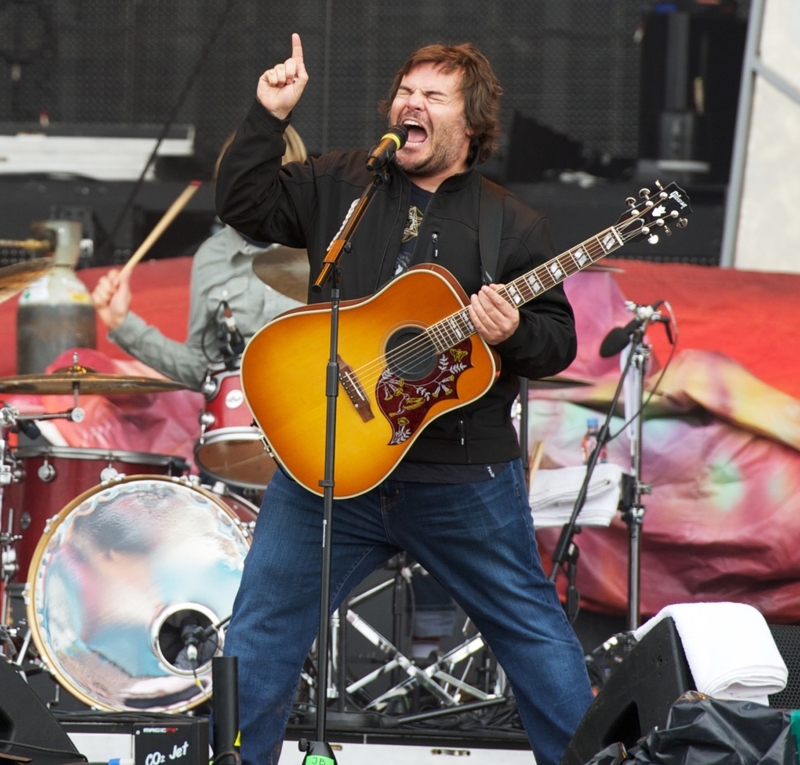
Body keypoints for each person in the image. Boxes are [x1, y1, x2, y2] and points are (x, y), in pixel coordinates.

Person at [215, 33, 594, 765]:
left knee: (532, 633)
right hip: (335, 468)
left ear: (470, 125)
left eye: (434, 96)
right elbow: (244, 203)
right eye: (405, 92)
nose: (410, 104)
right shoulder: (342, 182)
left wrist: (512, 329)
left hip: (459, 477)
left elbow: (556, 344)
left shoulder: (511, 223)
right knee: (260, 630)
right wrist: (267, 116)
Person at [90, 126, 309, 391]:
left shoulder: (325, 246)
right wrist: (122, 324)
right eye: (238, 182)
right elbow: (199, 369)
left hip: (313, 410)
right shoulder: (211, 257)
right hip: (239, 415)